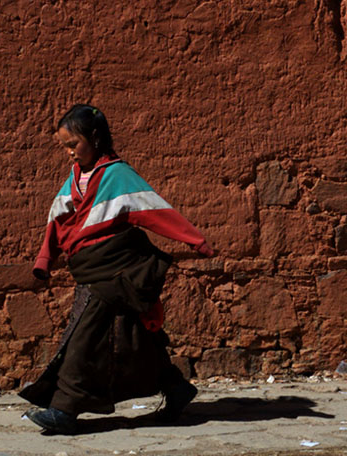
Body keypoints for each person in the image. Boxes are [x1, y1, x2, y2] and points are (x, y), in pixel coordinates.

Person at [19, 104, 214, 434]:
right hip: (90, 271)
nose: (69, 153)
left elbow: (155, 210)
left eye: (73, 144)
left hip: (116, 269)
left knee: (83, 335)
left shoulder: (117, 175)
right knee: (132, 335)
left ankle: (64, 409)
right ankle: (176, 387)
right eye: (65, 146)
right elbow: (58, 220)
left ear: (94, 138)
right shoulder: (76, 179)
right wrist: (44, 260)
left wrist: (196, 241)